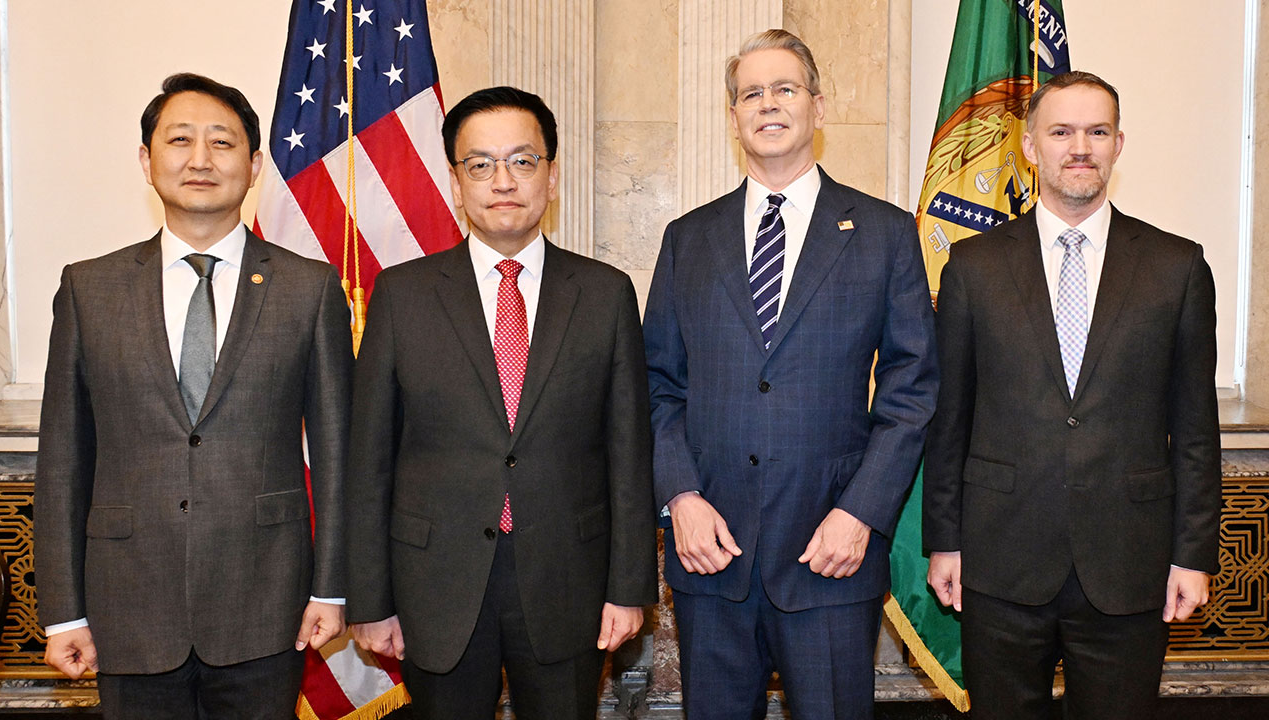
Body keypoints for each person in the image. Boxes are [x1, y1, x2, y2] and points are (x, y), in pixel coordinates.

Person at [34, 73, 353, 718]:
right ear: (146, 160)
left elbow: (338, 454)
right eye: (180, 140)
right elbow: (63, 459)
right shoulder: (89, 290)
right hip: (129, 604)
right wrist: (63, 611)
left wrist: (333, 588)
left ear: (254, 166)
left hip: (268, 603)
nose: (201, 159)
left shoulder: (309, 289)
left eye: (222, 142)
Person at [643, 29, 938, 719]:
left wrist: (861, 513)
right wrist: (681, 497)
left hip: (831, 553)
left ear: (818, 106)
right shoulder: (688, 238)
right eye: (751, 93)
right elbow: (657, 383)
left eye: (784, 88)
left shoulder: (886, 233)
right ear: (734, 116)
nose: (768, 103)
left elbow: (913, 389)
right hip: (711, 554)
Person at [345, 86, 656, 720]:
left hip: (568, 579)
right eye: (481, 164)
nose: (503, 181)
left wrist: (629, 588)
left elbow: (629, 452)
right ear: (456, 183)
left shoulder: (604, 293)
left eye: (522, 161)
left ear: (551, 176)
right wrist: (371, 599)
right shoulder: (402, 296)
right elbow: (369, 459)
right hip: (436, 582)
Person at [924, 70, 1220, 719]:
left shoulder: (1177, 267)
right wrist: (944, 540)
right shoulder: (973, 267)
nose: (1079, 147)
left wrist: (1193, 556)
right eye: (1061, 132)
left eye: (1097, 132)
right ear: (1031, 146)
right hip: (999, 562)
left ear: (1119, 144)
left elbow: (1197, 430)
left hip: (1131, 564)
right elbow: (949, 420)